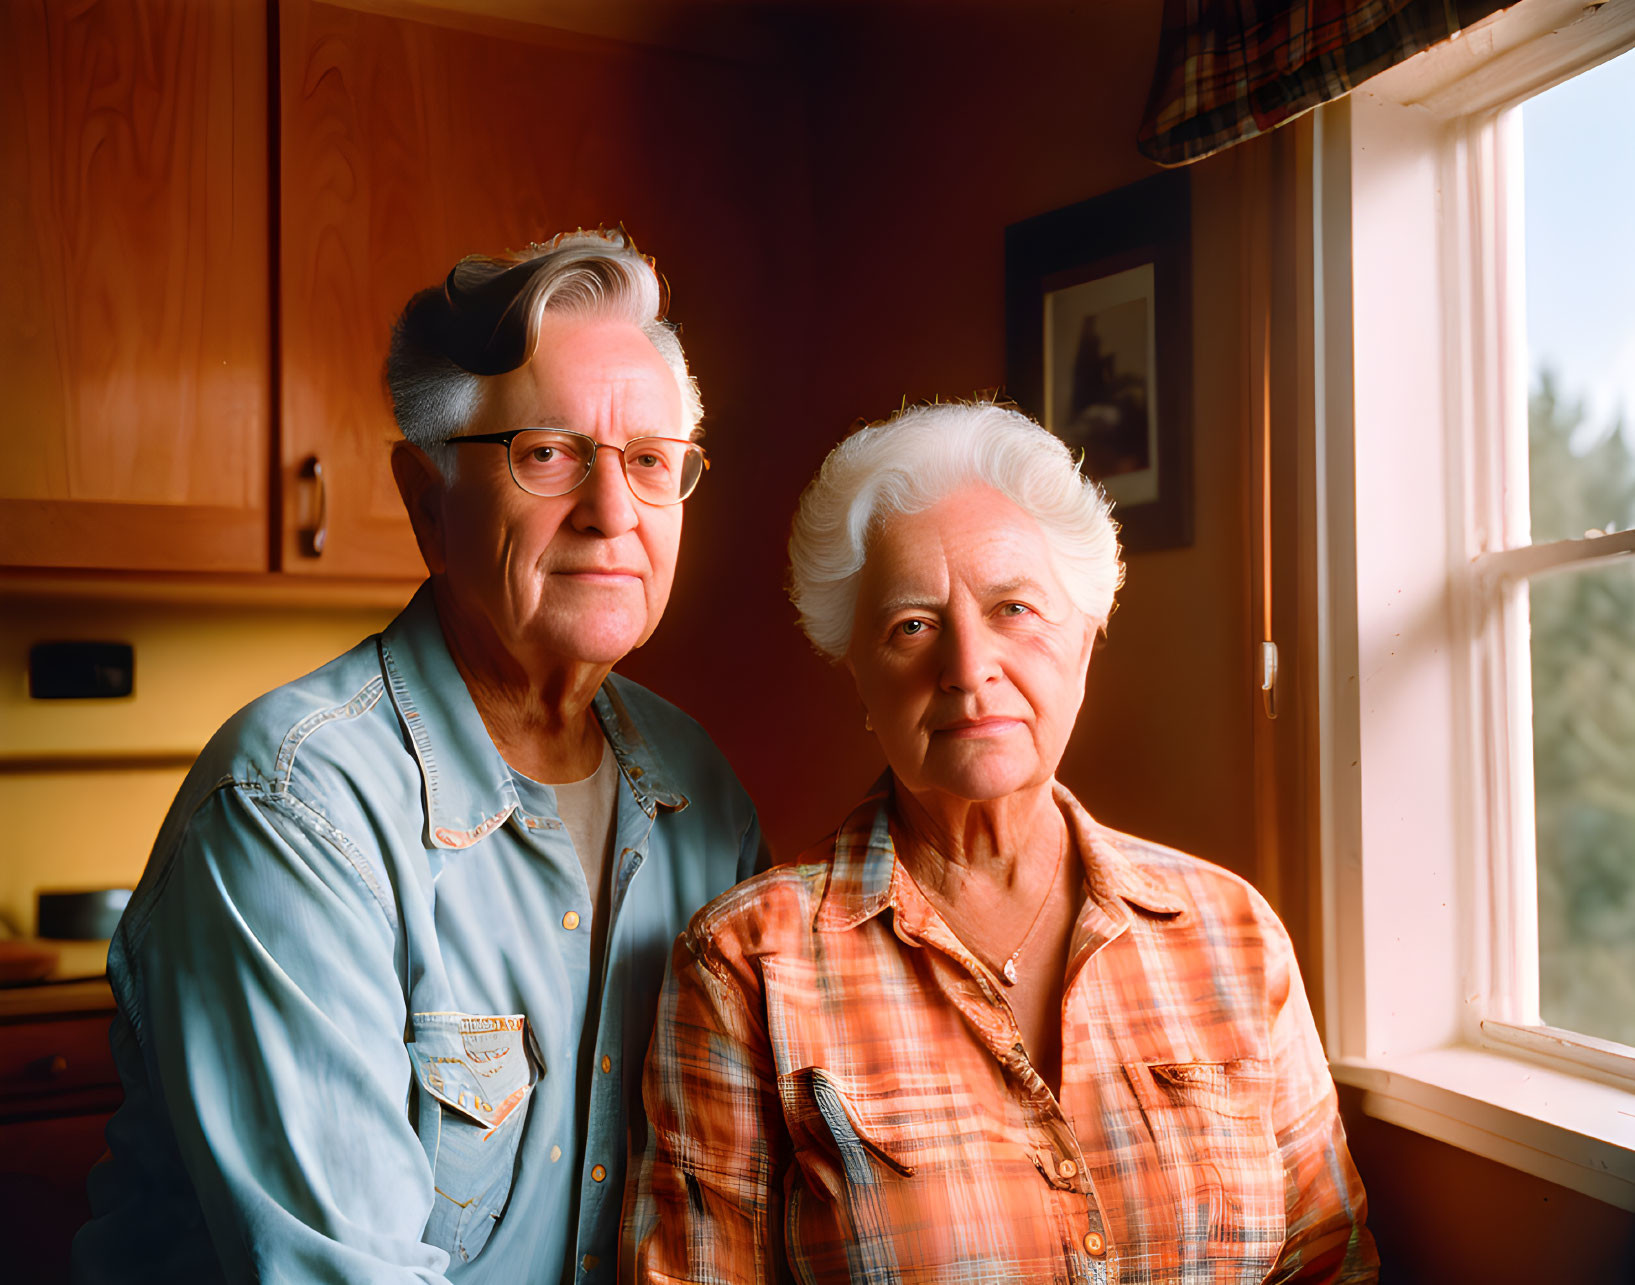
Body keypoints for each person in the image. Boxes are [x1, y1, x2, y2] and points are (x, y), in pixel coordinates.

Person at [73, 229, 762, 1284]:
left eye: (651, 463)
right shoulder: (292, 806)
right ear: (427, 502)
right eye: (547, 452)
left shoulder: (700, 792)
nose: (613, 511)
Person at [625, 402, 1377, 1283]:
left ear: (1086, 639)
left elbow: (1329, 1263)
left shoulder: (1232, 932)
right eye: (911, 624)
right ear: (857, 672)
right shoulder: (745, 964)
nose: (967, 666)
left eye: (1014, 607)